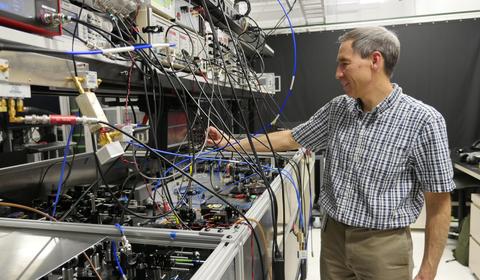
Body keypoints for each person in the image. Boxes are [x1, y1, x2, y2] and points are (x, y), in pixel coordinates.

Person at [206, 26, 454, 280]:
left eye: (344, 64)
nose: (337, 74)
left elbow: (439, 202)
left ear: (375, 60)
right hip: (333, 238)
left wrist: (428, 269)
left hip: (383, 248)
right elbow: (291, 138)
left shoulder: (424, 121)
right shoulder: (338, 109)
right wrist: (231, 144)